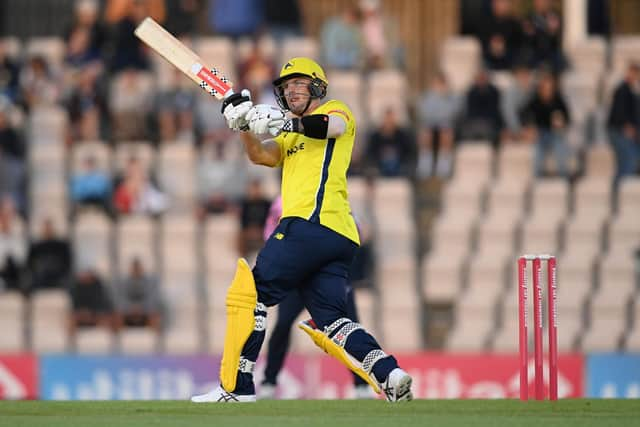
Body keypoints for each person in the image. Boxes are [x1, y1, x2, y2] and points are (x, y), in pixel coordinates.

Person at [191, 57, 412, 403]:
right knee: (332, 320)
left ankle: (237, 388)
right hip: (334, 238)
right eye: (286, 86)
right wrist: (243, 125)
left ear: (318, 87)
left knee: (251, 295)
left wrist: (281, 122)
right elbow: (260, 157)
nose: (292, 91)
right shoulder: (291, 132)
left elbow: (331, 127)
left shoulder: (336, 110)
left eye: (299, 84)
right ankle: (390, 372)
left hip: (309, 223)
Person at [258, 196, 373, 399]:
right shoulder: (282, 202)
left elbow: (357, 231)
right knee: (282, 326)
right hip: (296, 276)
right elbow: (269, 234)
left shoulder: (333, 197)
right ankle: (269, 381)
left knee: (350, 326)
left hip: (327, 275)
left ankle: (361, 384)